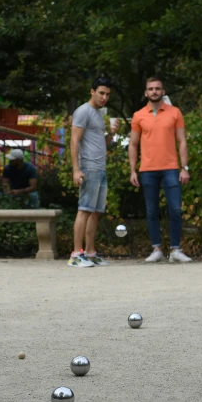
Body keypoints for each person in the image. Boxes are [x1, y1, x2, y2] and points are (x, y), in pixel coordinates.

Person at [129, 77, 192, 263]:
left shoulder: (175, 113)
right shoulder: (139, 115)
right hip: (147, 169)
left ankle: (175, 250)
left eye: (157, 88)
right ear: (146, 93)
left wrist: (184, 167)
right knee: (151, 211)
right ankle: (156, 249)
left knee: (175, 209)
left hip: (171, 168)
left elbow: (182, 141)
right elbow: (133, 144)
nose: (154, 91)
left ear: (163, 91)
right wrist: (133, 170)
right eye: (151, 89)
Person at [68, 76, 118, 267]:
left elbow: (100, 144)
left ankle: (90, 253)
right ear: (92, 91)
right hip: (88, 168)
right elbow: (74, 141)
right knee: (84, 210)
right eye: (101, 93)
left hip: (100, 168)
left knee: (95, 212)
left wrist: (111, 135)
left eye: (107, 94)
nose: (105, 97)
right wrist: (76, 169)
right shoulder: (83, 111)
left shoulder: (97, 114)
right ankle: (75, 255)